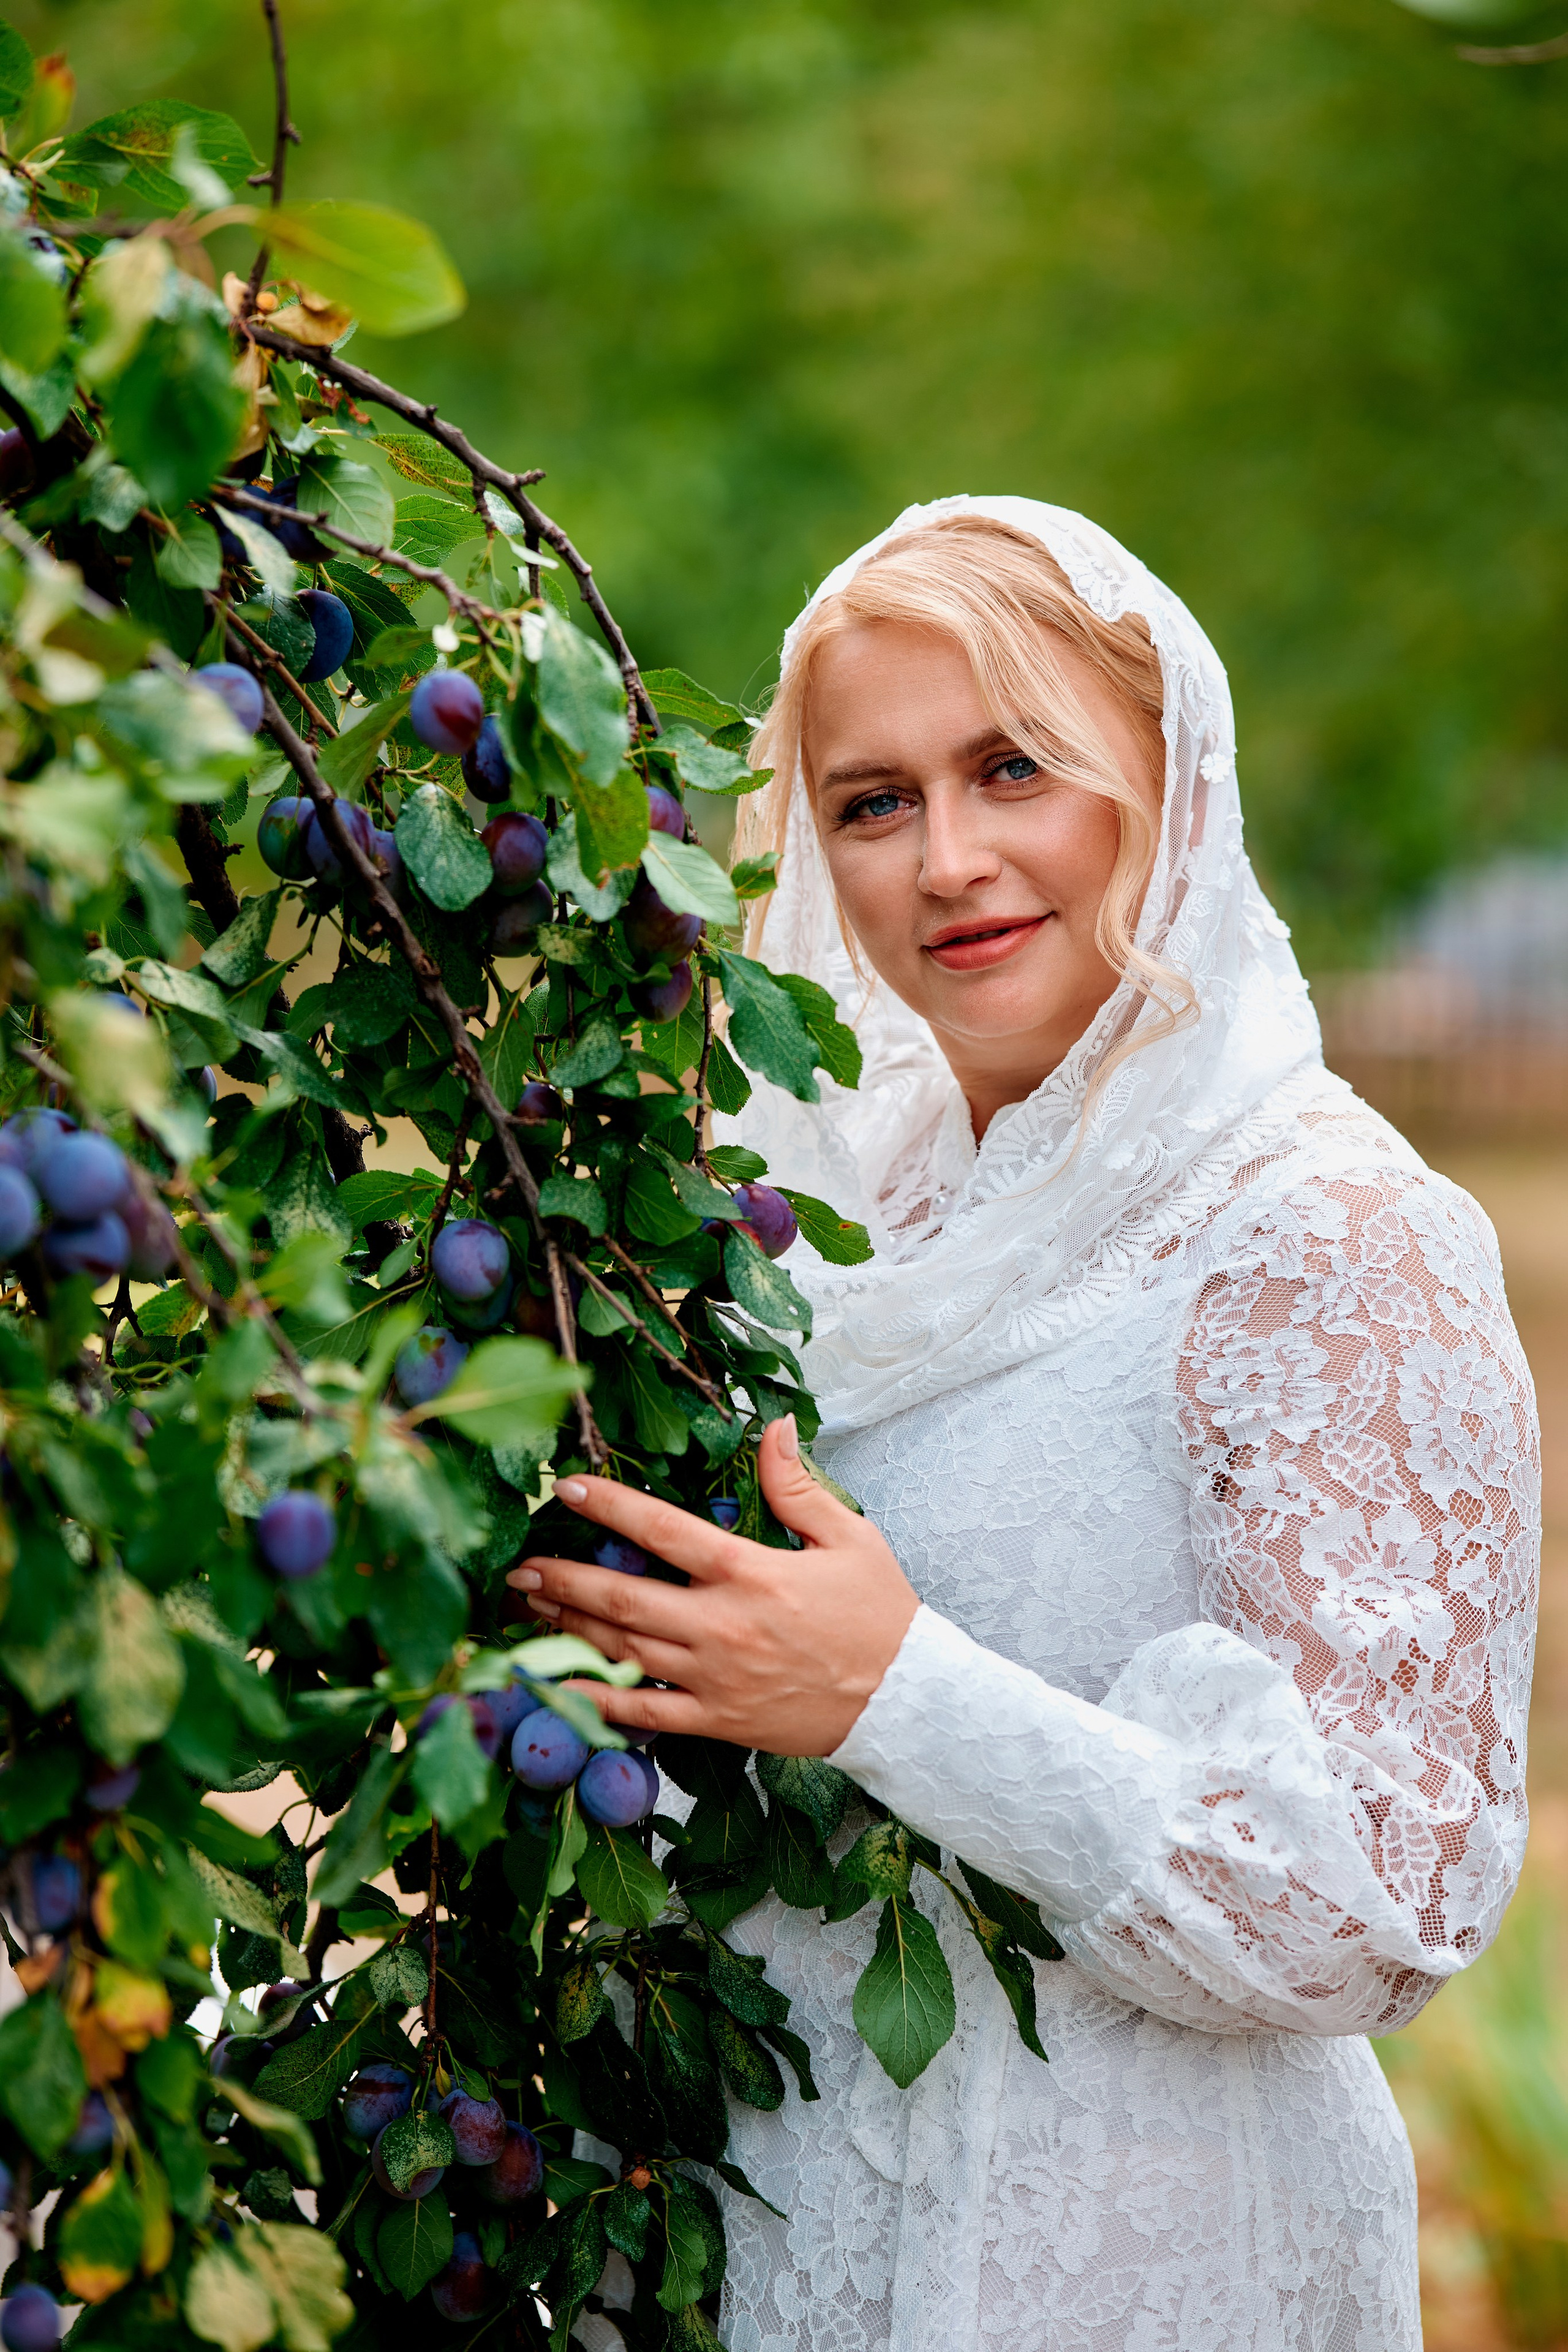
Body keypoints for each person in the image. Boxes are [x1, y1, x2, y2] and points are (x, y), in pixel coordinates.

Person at [508, 497, 1540, 2351]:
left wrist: (899, 1693)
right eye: (874, 802)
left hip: (1121, 2254)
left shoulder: (1325, 1236)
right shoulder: (818, 1214)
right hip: (776, 2212)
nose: (949, 860)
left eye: (1015, 770)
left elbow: (1381, 1902)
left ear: (1168, 775)